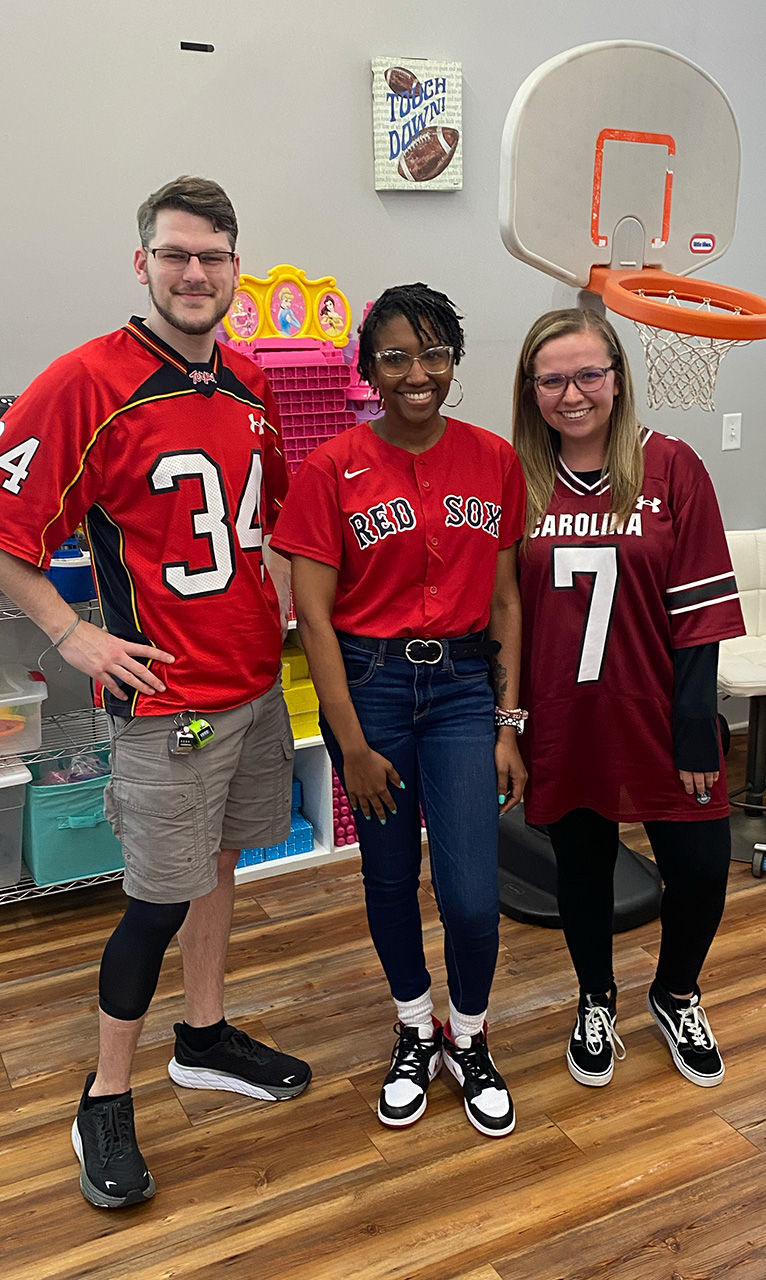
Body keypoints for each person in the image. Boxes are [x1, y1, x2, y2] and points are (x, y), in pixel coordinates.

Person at [0, 176, 311, 1209]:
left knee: (221, 867)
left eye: (213, 256)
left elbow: (266, 522)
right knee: (154, 900)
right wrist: (71, 633)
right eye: (176, 254)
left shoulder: (249, 381)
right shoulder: (88, 379)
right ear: (142, 262)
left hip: (252, 685)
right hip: (166, 701)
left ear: (235, 268)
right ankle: (105, 1093)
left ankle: (202, 1036)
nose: (195, 273)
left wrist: (284, 606)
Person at [270, 284, 527, 1137]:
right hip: (371, 688)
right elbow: (313, 619)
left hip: (461, 689)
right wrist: (349, 743)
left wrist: (508, 724)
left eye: (434, 354)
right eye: (396, 357)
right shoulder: (329, 467)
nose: (418, 374)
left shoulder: (494, 459)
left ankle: (469, 1036)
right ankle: (415, 1027)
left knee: (471, 897)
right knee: (387, 878)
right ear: (369, 370)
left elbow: (507, 601)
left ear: (454, 361)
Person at [511, 308, 745, 1091]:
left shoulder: (671, 466)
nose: (572, 393)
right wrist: (509, 725)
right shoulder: (518, 479)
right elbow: (504, 617)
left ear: (617, 377)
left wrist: (694, 727)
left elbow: (701, 614)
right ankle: (596, 997)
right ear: (531, 389)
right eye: (552, 379)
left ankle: (675, 994)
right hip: (565, 718)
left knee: (701, 870)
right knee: (583, 872)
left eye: (588, 375)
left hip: (659, 714)